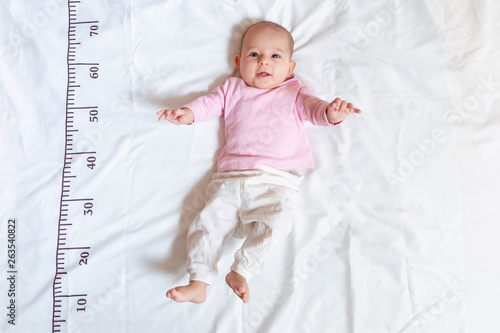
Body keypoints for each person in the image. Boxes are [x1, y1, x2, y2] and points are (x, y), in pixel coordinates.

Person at [158, 21, 361, 304]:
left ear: (290, 68)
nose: (264, 61)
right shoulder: (232, 89)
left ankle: (242, 270)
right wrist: (188, 113)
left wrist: (333, 112)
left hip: (275, 182)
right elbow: (208, 104)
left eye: (275, 56)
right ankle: (198, 281)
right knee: (208, 224)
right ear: (239, 62)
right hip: (230, 180)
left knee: (278, 222)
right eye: (254, 55)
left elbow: (316, 111)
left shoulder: (294, 93)